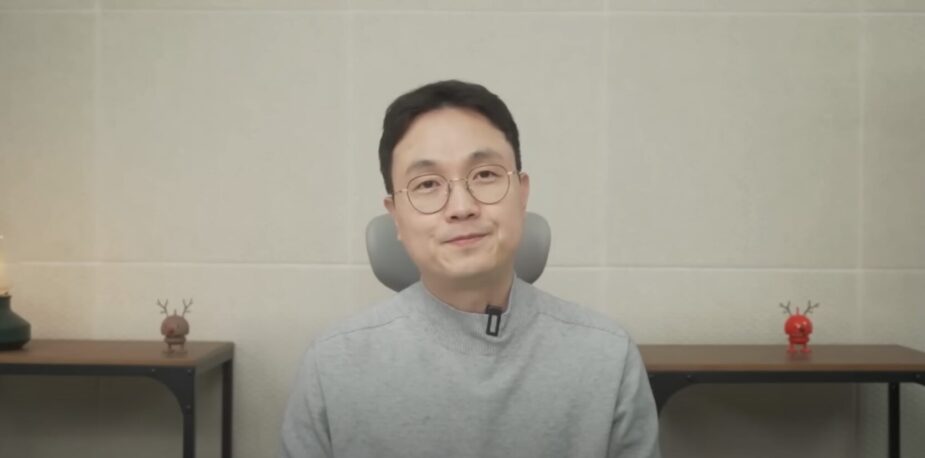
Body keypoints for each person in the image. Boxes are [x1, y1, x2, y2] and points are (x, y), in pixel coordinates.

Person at [280, 80, 661, 458]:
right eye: (427, 184)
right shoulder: (332, 366)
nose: (461, 207)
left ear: (522, 194)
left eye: (485, 175)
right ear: (396, 216)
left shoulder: (607, 357)